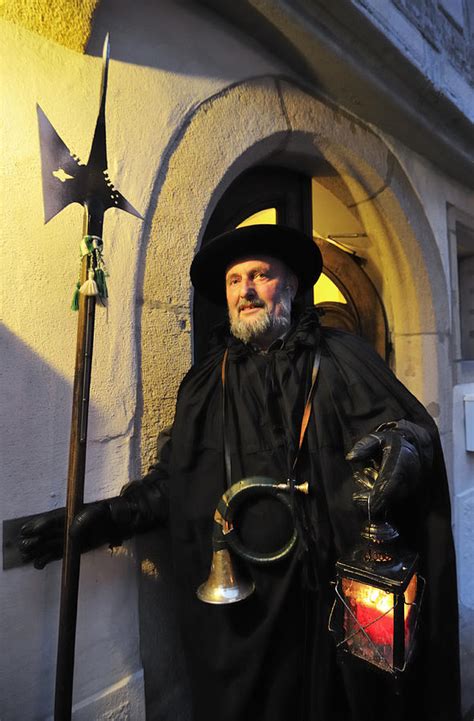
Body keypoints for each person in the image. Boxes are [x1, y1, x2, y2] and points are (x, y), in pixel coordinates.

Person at [20, 225, 461, 721]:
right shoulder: (205, 383)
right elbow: (177, 481)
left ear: (291, 287)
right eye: (235, 281)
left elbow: (409, 430)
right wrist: (109, 517)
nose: (246, 290)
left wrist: (405, 446)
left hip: (333, 603)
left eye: (260, 275)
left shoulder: (343, 358)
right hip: (248, 607)